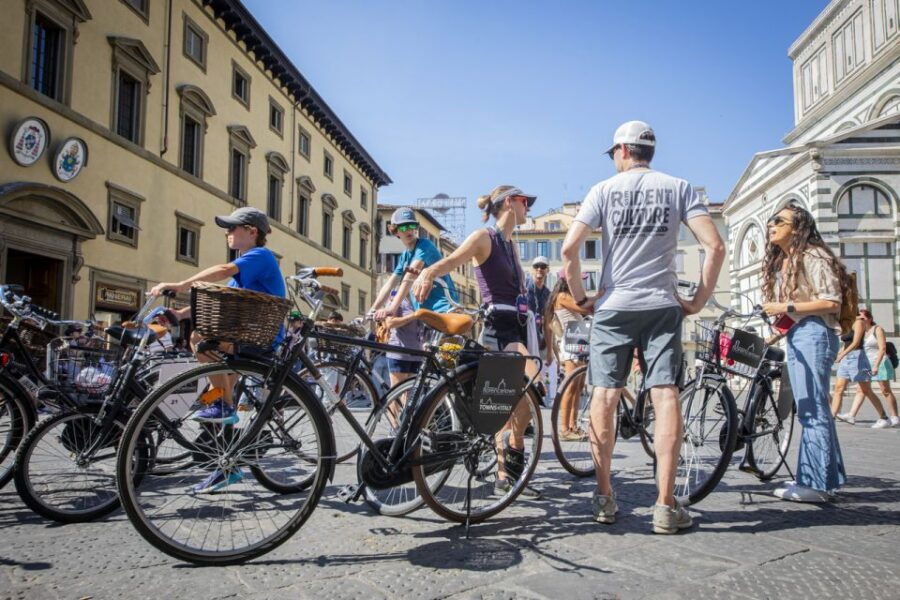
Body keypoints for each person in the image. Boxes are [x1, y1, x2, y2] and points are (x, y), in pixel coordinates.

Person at [561, 121, 725, 533]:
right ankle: (666, 506)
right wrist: (700, 299)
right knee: (665, 394)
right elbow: (715, 245)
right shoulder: (679, 187)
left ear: (621, 151)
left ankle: (603, 498)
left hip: (614, 305)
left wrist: (583, 298)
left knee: (604, 395)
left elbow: (568, 249)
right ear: (648, 152)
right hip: (661, 304)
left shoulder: (602, 190)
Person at [414, 185, 542, 499]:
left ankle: (512, 467)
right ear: (510, 202)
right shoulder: (484, 237)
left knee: (522, 398)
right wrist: (428, 273)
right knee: (512, 396)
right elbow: (451, 260)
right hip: (498, 328)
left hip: (517, 325)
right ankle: (505, 475)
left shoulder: (511, 244)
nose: (529, 208)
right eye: (525, 202)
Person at [149, 206, 285, 493]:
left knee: (200, 339)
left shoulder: (260, 256)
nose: (227, 233)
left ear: (252, 231)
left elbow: (223, 271)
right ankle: (228, 466)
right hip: (243, 336)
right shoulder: (244, 271)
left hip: (260, 338)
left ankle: (221, 405)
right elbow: (218, 301)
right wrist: (178, 315)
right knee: (223, 403)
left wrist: (181, 284)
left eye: (233, 227)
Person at [760, 203, 847, 503]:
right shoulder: (789, 261)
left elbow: (831, 302)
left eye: (780, 221)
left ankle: (815, 484)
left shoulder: (813, 255)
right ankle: (827, 478)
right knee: (813, 407)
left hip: (815, 334)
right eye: (771, 220)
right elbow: (798, 310)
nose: (772, 224)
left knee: (812, 408)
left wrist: (785, 307)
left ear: (797, 227)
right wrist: (776, 331)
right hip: (800, 334)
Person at [368, 207, 457, 390]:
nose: (408, 230)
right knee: (430, 375)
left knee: (443, 371)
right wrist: (371, 310)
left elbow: (408, 278)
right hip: (427, 318)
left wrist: (391, 309)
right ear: (395, 231)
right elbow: (390, 283)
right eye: (402, 227)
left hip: (442, 310)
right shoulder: (404, 256)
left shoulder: (424, 246)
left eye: (411, 226)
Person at [543, 271, 593, 441]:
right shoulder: (563, 296)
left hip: (579, 343)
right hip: (571, 345)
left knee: (578, 388)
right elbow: (584, 308)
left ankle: (573, 426)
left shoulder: (568, 296)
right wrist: (599, 296)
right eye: (580, 280)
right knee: (570, 387)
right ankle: (564, 428)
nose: (582, 283)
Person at [833, 310, 894, 428]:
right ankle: (832, 416)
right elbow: (846, 342)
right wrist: (840, 353)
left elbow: (856, 343)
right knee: (838, 388)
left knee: (866, 390)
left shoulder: (858, 323)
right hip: (847, 359)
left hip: (858, 358)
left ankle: (884, 417)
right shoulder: (846, 323)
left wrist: (842, 354)